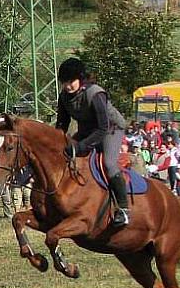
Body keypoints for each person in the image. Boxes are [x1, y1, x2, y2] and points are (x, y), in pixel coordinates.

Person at [55, 57, 130, 227]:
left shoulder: (95, 93)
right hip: (88, 130)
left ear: (80, 79)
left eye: (71, 82)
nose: (67, 86)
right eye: (64, 82)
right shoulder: (64, 97)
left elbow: (102, 127)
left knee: (109, 164)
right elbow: (62, 125)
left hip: (110, 129)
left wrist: (81, 145)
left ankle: (124, 210)